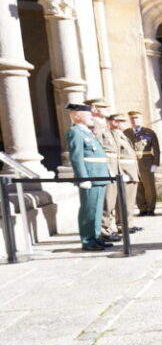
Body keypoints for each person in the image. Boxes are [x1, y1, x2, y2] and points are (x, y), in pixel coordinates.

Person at [65, 103, 112, 251]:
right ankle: (87, 240)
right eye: (87, 113)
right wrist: (82, 178)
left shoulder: (88, 132)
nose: (91, 115)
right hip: (90, 177)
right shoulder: (75, 132)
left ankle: (96, 237)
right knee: (88, 209)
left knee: (97, 209)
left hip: (99, 176)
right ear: (77, 115)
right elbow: (76, 157)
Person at [89, 100, 121, 243]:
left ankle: (110, 227)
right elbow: (99, 149)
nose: (107, 109)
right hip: (106, 166)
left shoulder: (103, 125)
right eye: (103, 107)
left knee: (111, 200)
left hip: (113, 166)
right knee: (107, 201)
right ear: (94, 109)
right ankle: (104, 230)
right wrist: (107, 168)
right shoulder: (95, 125)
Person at [107, 113, 141, 235]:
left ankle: (128, 223)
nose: (122, 123)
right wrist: (121, 172)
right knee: (123, 201)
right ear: (112, 122)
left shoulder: (121, 135)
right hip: (125, 172)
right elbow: (115, 157)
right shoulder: (113, 135)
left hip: (131, 172)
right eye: (119, 121)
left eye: (122, 121)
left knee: (130, 201)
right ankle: (122, 225)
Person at [125, 111, 161, 216]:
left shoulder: (149, 132)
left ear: (141, 119)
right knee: (137, 186)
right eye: (132, 118)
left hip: (146, 162)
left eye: (136, 118)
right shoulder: (126, 133)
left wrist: (155, 163)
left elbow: (156, 149)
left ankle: (150, 208)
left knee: (149, 187)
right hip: (132, 163)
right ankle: (142, 208)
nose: (134, 120)